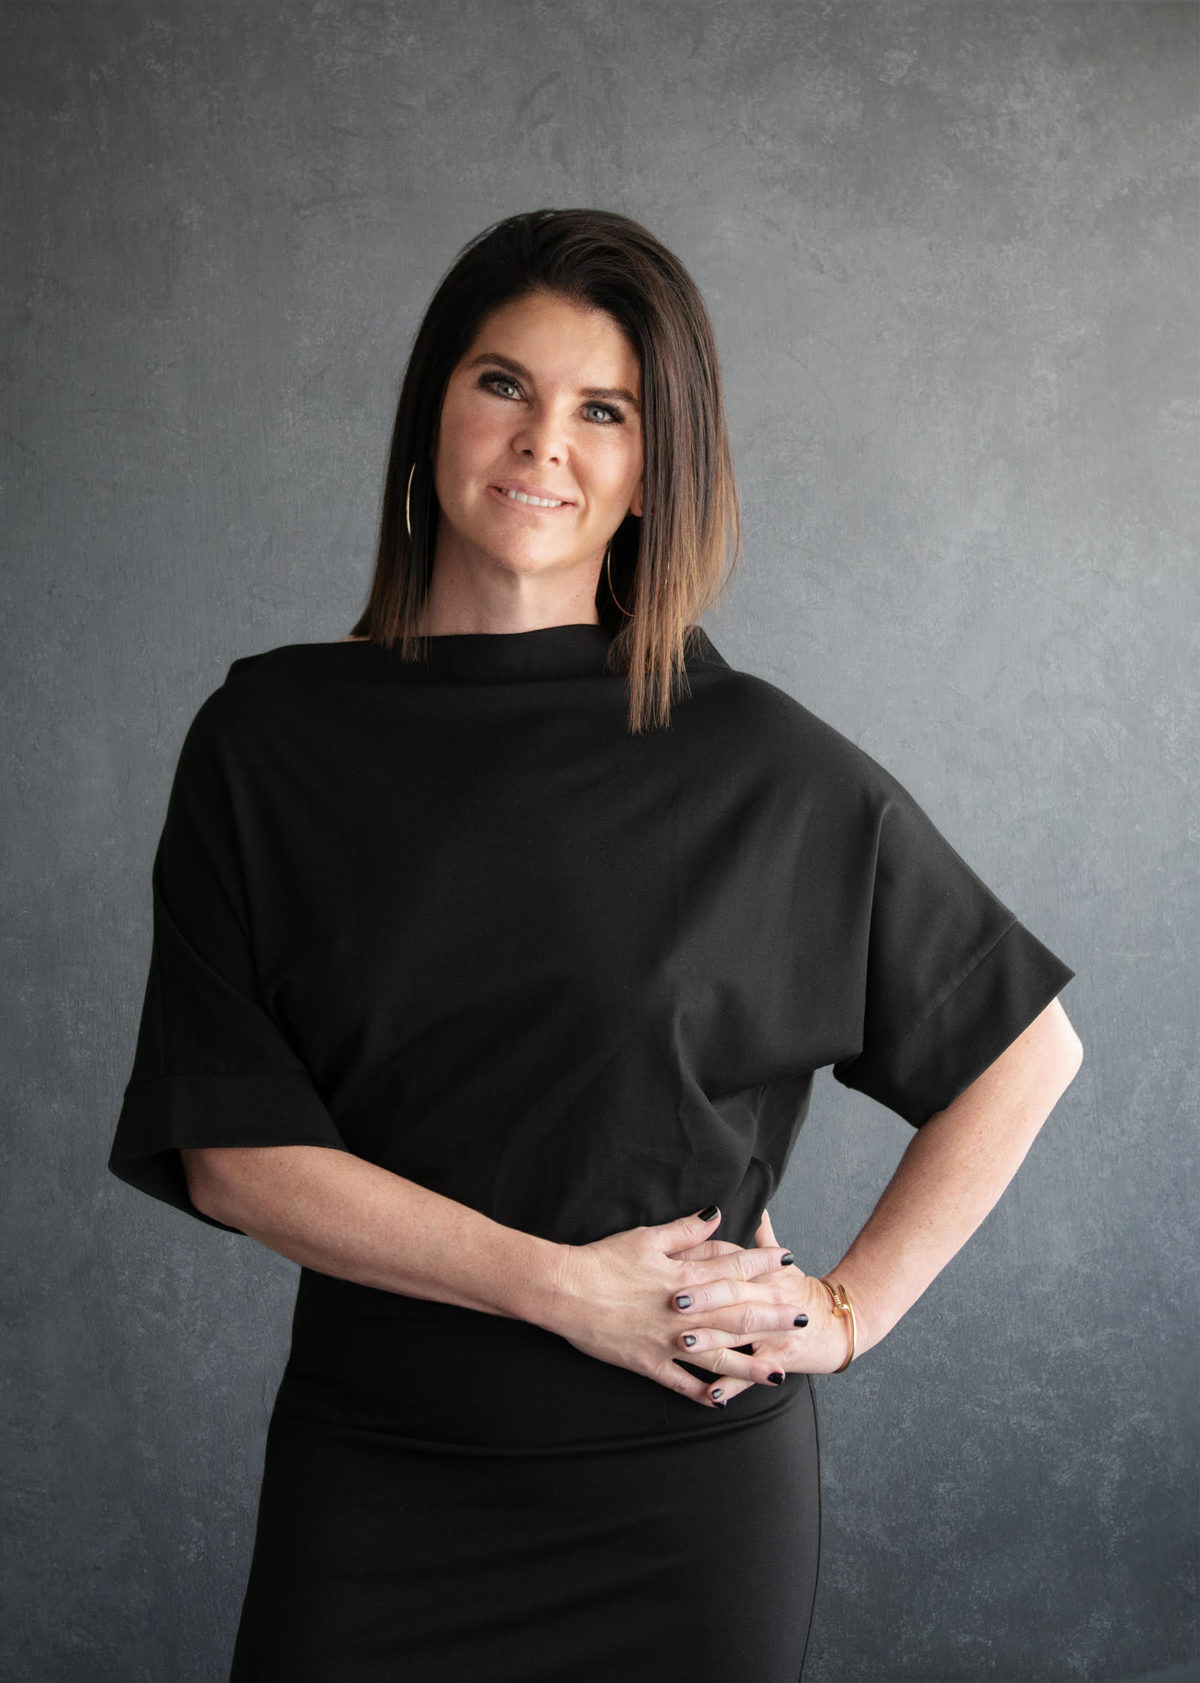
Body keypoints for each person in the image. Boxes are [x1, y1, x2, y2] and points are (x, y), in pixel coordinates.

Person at [107, 208, 1083, 1683]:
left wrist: (845, 1312)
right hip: (379, 1475)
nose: (541, 441)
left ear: (651, 470)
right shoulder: (270, 741)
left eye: (603, 409)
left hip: (681, 1499)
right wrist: (559, 1286)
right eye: (504, 384)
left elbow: (1024, 1052)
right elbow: (234, 1155)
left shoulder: (758, 761)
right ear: (434, 411)